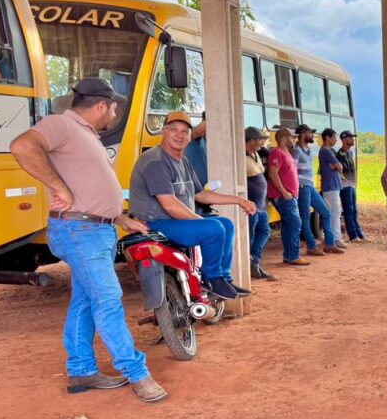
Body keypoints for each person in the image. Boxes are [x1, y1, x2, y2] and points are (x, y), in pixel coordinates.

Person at [9, 78, 166, 402]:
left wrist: (118, 217)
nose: (113, 114)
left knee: (86, 300)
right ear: (101, 105)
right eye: (113, 108)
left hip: (97, 230)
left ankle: (82, 371)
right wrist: (59, 187)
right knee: (108, 299)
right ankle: (137, 373)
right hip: (80, 233)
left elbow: (91, 185)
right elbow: (22, 146)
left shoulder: (85, 134)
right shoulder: (61, 125)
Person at [129, 111, 257, 301]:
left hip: (174, 221)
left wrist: (239, 200)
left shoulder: (183, 160)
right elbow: (170, 206)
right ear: (163, 132)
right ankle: (211, 279)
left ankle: (223, 278)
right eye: (174, 130)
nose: (180, 135)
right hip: (155, 223)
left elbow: (200, 194)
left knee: (226, 224)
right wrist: (201, 222)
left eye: (184, 131)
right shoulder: (155, 161)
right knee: (213, 228)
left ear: (190, 136)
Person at [292, 124, 336, 255]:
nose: (312, 135)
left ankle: (329, 244)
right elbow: (291, 170)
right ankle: (311, 246)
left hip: (310, 186)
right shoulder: (296, 151)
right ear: (303, 134)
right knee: (305, 217)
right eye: (310, 133)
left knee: (326, 212)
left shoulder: (309, 150)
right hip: (302, 187)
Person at [266, 127, 307, 266]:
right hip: (283, 195)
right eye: (292, 137)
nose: (294, 139)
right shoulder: (277, 153)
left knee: (289, 224)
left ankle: (289, 256)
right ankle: (293, 255)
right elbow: (273, 173)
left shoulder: (286, 152)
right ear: (284, 138)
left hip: (289, 195)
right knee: (295, 222)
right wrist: (284, 192)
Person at [244, 126, 276, 281]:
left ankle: (254, 261)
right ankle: (249, 265)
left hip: (261, 205)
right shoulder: (241, 157)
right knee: (249, 236)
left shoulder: (256, 153)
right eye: (258, 139)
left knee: (264, 231)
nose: (261, 142)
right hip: (251, 206)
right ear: (250, 140)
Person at [317, 128, 348, 252]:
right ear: (327, 138)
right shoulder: (325, 151)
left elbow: (340, 166)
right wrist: (336, 167)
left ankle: (335, 237)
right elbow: (340, 167)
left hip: (334, 185)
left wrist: (336, 166)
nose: (336, 140)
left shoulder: (331, 151)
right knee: (334, 212)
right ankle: (335, 238)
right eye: (334, 138)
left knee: (335, 212)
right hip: (330, 186)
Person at [337, 130, 365, 241]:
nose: (353, 139)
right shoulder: (340, 154)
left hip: (352, 185)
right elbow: (339, 172)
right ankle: (353, 235)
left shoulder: (350, 153)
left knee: (354, 210)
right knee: (349, 210)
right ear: (344, 139)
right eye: (350, 137)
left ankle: (359, 234)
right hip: (345, 186)